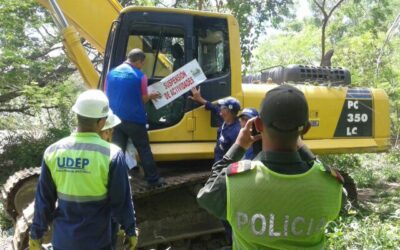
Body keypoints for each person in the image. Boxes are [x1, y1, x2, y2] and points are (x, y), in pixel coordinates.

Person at [197, 85, 343, 249]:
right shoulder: (331, 185)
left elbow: (206, 196)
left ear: (258, 125)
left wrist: (238, 146)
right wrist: (303, 149)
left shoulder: (233, 183)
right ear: (306, 129)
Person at [29, 89, 137, 250]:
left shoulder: (52, 151)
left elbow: (44, 201)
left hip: (63, 242)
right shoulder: (112, 154)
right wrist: (130, 230)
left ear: (77, 116)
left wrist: (36, 234)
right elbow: (121, 202)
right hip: (98, 242)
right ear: (102, 122)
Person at [105, 48, 165, 187]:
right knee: (143, 149)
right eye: (141, 63)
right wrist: (151, 96)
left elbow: (106, 93)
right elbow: (143, 99)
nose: (141, 66)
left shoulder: (111, 73)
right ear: (138, 61)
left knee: (117, 151)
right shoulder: (140, 76)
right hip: (134, 120)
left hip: (115, 120)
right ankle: (153, 180)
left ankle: (114, 181)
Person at [189, 87, 241, 163]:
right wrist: (199, 99)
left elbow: (235, 155)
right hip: (218, 161)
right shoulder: (225, 119)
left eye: (222, 107)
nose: (220, 108)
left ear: (227, 111)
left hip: (225, 167)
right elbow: (213, 107)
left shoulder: (236, 131)